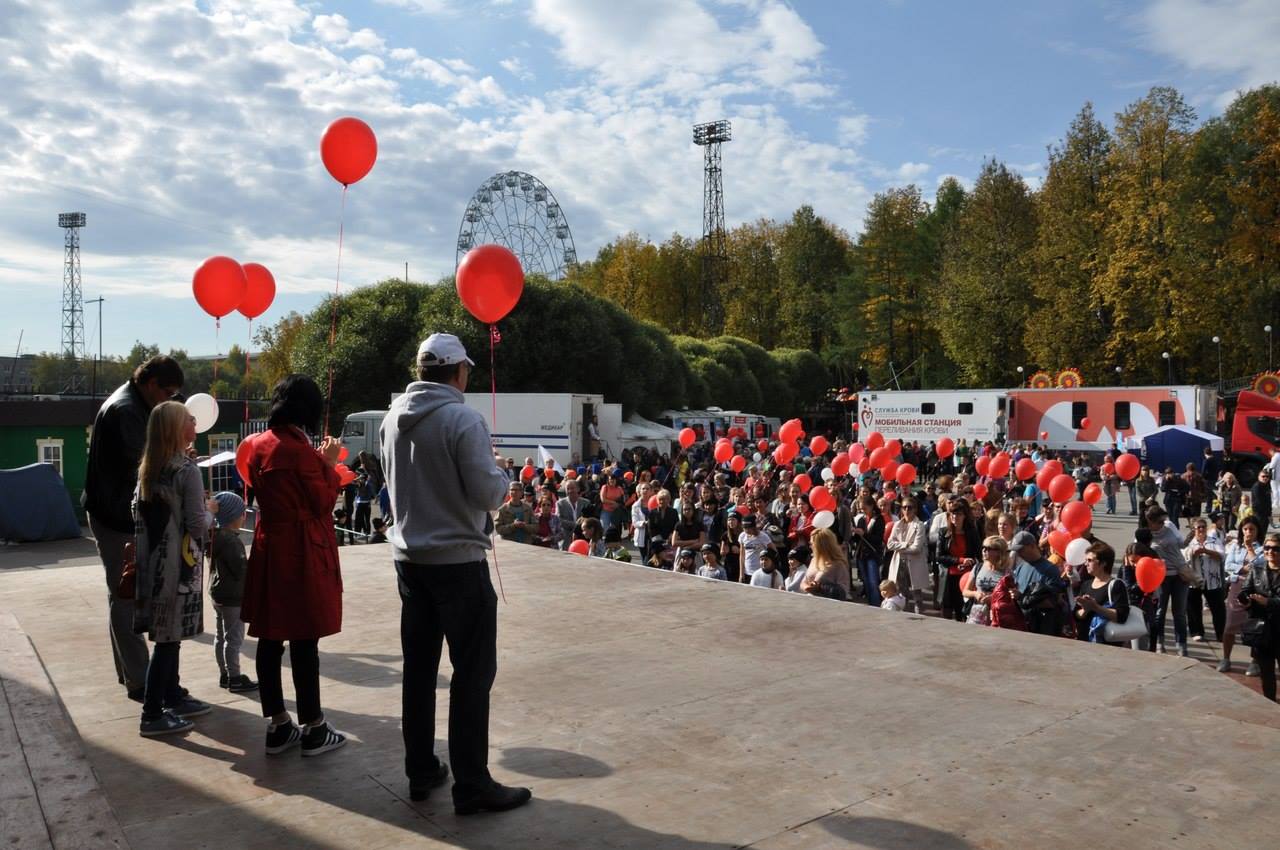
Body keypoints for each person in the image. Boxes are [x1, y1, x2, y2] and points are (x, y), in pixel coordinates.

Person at [381, 333, 531, 814]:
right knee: (471, 674)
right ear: (458, 372)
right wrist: (503, 475)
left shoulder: (390, 419)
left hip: (409, 562)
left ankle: (421, 769)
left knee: (419, 672)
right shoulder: (462, 418)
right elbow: (488, 494)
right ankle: (471, 783)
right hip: (458, 564)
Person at [241, 375, 347, 758]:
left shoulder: (260, 445)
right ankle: (315, 727)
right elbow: (322, 501)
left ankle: (278, 724)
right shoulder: (299, 452)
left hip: (270, 546)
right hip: (301, 548)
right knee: (305, 640)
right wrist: (330, 463)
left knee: (270, 639)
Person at [84, 354, 184, 702]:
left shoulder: (132, 403)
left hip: (116, 512)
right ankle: (142, 682)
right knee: (127, 596)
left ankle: (133, 675)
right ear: (151, 383)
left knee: (123, 594)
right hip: (116, 518)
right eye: (168, 392)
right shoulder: (127, 411)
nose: (169, 400)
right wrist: (177, 469)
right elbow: (141, 468)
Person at [132, 400, 213, 736]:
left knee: (169, 635)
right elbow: (197, 524)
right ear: (178, 429)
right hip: (179, 566)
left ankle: (172, 695)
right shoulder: (187, 471)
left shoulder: (150, 469)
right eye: (190, 419)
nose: (195, 423)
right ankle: (153, 713)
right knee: (168, 639)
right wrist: (211, 508)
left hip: (152, 564)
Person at [210, 492, 257, 693]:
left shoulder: (214, 537)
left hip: (218, 593)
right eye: (241, 514)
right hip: (233, 597)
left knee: (221, 637)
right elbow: (241, 570)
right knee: (234, 639)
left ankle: (224, 674)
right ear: (233, 516)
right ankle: (235, 677)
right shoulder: (232, 541)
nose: (243, 517)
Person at [1221, 515, 1265, 674]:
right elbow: (1228, 565)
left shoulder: (1262, 548)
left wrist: (1250, 549)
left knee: (1254, 626)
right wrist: (1242, 568)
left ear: (1257, 531)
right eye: (1245, 529)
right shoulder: (1235, 546)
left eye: (1251, 529)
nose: (1248, 532)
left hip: (1254, 589)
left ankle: (1254, 661)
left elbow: (1260, 566)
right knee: (1230, 625)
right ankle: (1226, 658)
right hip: (1237, 586)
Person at [1145, 505, 1192, 656]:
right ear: (1150, 521)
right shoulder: (1145, 534)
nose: (1162, 524)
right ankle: (1160, 642)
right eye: (1159, 521)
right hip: (1160, 577)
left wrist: (1189, 538)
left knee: (1179, 612)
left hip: (1179, 575)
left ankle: (1182, 645)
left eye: (1163, 520)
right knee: (1160, 611)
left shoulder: (1169, 526)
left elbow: (1181, 544)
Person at [1241, 533, 1280, 701]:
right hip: (1262, 631)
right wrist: (1245, 600)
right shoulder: (1256, 570)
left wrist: (1268, 602)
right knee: (1266, 673)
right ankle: (1271, 704)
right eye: (1267, 548)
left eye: (1276, 548)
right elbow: (1245, 590)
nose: (1270, 551)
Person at [1073, 542, 1130, 646]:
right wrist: (1085, 609)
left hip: (1107, 645)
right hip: (1084, 640)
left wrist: (1096, 607)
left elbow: (1121, 616)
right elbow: (1076, 615)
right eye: (1086, 560)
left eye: (1090, 560)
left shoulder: (1116, 585)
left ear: (1103, 563)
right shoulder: (1086, 584)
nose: (1086, 564)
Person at [1011, 531, 1066, 637]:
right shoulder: (1020, 567)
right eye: (1016, 551)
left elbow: (1052, 602)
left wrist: (1022, 598)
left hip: (1041, 627)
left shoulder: (1050, 569)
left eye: (1021, 550)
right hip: (1022, 624)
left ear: (1032, 546)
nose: (1018, 553)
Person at [936, 497, 981, 622]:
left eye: (959, 514)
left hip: (966, 577)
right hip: (948, 576)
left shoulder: (972, 532)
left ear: (965, 516)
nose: (955, 517)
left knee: (962, 610)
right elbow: (939, 556)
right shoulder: (944, 532)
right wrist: (960, 560)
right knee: (947, 611)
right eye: (953, 514)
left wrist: (970, 562)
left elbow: (979, 554)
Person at [1183, 517, 1226, 643]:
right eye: (1198, 527)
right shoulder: (1189, 542)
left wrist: (1206, 551)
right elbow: (1183, 557)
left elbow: (1222, 556)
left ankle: (1221, 633)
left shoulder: (1214, 540)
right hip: (1194, 581)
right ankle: (1197, 631)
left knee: (1218, 609)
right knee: (1193, 607)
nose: (1201, 529)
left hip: (1213, 580)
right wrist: (1193, 553)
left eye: (1203, 526)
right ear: (1194, 529)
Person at [886, 498, 927, 614]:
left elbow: (916, 548)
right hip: (899, 563)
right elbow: (889, 544)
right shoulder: (897, 524)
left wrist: (899, 548)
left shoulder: (919, 525)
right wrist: (905, 545)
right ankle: (905, 617)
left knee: (917, 595)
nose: (907, 510)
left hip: (915, 564)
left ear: (915, 509)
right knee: (902, 594)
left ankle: (920, 618)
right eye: (904, 507)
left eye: (910, 507)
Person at [963, 535, 1010, 626]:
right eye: (983, 547)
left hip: (997, 616)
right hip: (977, 614)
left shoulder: (1007, 572)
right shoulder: (978, 567)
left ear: (999, 552)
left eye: (988, 548)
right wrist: (975, 594)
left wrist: (993, 598)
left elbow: (1010, 596)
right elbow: (965, 591)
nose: (984, 551)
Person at [800, 527, 850, 600]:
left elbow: (843, 592)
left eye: (812, 544)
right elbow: (803, 582)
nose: (810, 547)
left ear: (821, 546)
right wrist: (807, 587)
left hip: (828, 607)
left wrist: (820, 588)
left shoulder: (838, 565)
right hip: (810, 603)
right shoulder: (814, 560)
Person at [738, 513, 774, 584]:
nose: (746, 530)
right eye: (744, 528)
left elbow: (773, 551)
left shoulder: (763, 536)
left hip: (760, 571)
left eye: (748, 528)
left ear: (754, 527)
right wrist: (741, 574)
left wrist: (770, 569)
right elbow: (742, 555)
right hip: (747, 571)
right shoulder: (742, 536)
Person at [556, 480, 592, 550]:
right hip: (566, 538)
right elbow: (559, 520)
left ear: (578, 489)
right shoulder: (560, 504)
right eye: (568, 489)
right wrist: (576, 525)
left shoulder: (586, 503)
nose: (570, 491)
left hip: (583, 538)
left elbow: (590, 520)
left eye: (572, 488)